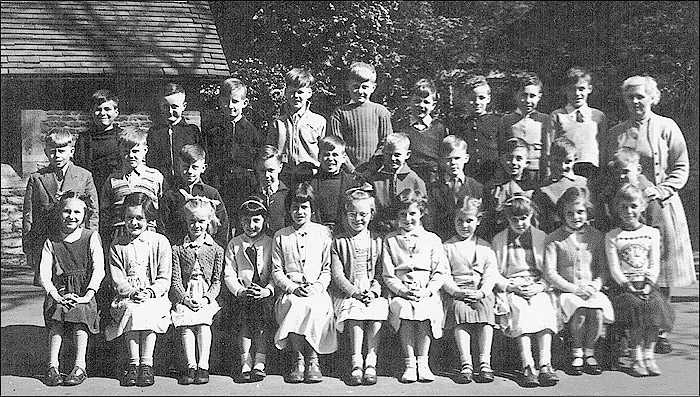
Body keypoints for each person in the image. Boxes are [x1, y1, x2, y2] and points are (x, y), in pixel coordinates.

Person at [604, 75, 694, 354]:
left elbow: (681, 164)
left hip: (660, 206)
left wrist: (663, 189)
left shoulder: (667, 127)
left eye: (641, 96)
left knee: (659, 267)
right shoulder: (616, 131)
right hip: (625, 209)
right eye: (630, 96)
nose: (635, 101)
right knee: (628, 262)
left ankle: (659, 329)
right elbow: (607, 170)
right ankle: (628, 328)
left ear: (653, 97)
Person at [605, 184, 674, 377]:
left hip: (647, 284)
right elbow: (614, 267)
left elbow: (654, 264)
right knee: (635, 311)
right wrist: (628, 286)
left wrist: (648, 285)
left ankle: (648, 355)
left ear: (642, 206)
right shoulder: (613, 236)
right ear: (617, 209)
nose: (629, 211)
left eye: (633, 206)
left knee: (654, 308)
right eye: (624, 207)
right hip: (624, 287)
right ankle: (636, 356)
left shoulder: (652, 233)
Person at [543, 186, 614, 376]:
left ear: (588, 211)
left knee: (597, 312)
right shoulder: (554, 239)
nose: (576, 217)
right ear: (562, 214)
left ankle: (589, 351)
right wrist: (574, 289)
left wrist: (595, 285)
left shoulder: (597, 237)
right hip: (567, 291)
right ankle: (576, 352)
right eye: (570, 213)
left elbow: (603, 270)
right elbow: (550, 273)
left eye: (580, 212)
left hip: (591, 289)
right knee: (580, 312)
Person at [104, 192, 172, 387]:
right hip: (127, 295)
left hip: (153, 294)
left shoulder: (160, 242)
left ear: (149, 219)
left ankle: (146, 364)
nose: (134, 223)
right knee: (132, 309)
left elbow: (164, 277)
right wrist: (132, 292)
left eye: (139, 218)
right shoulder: (118, 245)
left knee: (149, 308)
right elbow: (117, 278)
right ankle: (134, 363)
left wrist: (149, 292)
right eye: (129, 218)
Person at [271, 183, 337, 383]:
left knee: (315, 305)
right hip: (291, 290)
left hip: (316, 290)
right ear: (289, 210)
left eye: (304, 207)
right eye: (294, 208)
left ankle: (313, 359)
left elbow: (327, 269)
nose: (299, 212)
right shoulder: (281, 236)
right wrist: (292, 288)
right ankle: (298, 358)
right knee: (294, 304)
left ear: (312, 209)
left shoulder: (322, 233)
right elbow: (277, 271)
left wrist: (317, 288)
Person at [492, 193, 559, 388]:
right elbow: (494, 272)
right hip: (513, 286)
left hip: (536, 284)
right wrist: (510, 286)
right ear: (507, 219)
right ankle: (527, 364)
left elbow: (550, 270)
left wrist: (541, 286)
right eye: (514, 219)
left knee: (543, 306)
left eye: (524, 218)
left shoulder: (541, 237)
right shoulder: (499, 240)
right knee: (519, 309)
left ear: (531, 217)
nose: (520, 223)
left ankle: (545, 364)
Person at [39, 192, 105, 386]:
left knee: (79, 315)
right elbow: (44, 272)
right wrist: (55, 295)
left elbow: (99, 269)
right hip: (60, 292)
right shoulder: (52, 241)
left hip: (84, 292)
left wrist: (87, 295)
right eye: (67, 211)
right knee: (57, 315)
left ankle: (80, 365)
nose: (72, 216)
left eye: (77, 212)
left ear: (85, 214)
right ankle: (52, 366)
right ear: (59, 213)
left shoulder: (91, 237)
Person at [382, 189, 447, 383]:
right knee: (404, 310)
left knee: (426, 309)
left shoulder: (432, 239)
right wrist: (402, 290)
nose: (408, 219)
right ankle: (409, 363)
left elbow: (440, 272)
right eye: (402, 214)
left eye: (412, 214)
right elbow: (387, 273)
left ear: (421, 213)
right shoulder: (391, 239)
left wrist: (427, 290)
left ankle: (423, 362)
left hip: (426, 290)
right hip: (401, 290)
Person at [23, 130, 99, 286]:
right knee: (50, 289)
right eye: (52, 152)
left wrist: (92, 240)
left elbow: (93, 212)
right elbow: (28, 215)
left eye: (62, 151)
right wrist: (29, 248)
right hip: (48, 241)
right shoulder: (37, 179)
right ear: (46, 152)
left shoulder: (84, 176)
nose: (57, 156)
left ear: (71, 151)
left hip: (76, 243)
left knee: (77, 284)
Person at [330, 187, 388, 386]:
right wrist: (354, 292)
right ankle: (356, 361)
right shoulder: (338, 242)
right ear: (346, 215)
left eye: (363, 214)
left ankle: (371, 361)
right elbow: (337, 275)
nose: (357, 219)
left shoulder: (378, 241)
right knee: (355, 311)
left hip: (372, 291)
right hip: (347, 293)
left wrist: (374, 291)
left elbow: (381, 273)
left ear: (371, 215)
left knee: (378, 309)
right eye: (352, 214)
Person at [441, 196, 498, 384]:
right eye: (460, 221)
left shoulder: (485, 246)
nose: (464, 225)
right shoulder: (447, 247)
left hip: (480, 291)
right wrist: (456, 292)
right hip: (458, 292)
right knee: (460, 312)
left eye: (469, 221)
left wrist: (482, 292)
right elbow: (444, 275)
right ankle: (466, 363)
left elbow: (491, 274)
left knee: (486, 310)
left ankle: (484, 362)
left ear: (478, 221)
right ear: (454, 220)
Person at [170, 196, 224, 385]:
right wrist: (184, 298)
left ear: (209, 221)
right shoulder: (177, 249)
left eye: (201, 221)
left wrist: (206, 298)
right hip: (185, 294)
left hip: (205, 296)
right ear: (186, 221)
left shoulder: (216, 249)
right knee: (186, 323)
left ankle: (203, 365)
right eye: (192, 221)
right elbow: (175, 279)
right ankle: (190, 365)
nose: (196, 226)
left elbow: (217, 281)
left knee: (202, 324)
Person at [223, 197, 276, 383]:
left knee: (261, 325)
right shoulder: (235, 244)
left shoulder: (270, 242)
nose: (251, 225)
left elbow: (275, 272)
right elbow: (229, 272)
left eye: (256, 220)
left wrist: (267, 290)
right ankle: (245, 360)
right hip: (243, 294)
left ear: (264, 220)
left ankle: (260, 361)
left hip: (263, 294)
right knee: (244, 325)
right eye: (246, 221)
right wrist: (239, 291)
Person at [204, 78, 263, 223]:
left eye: (235, 101)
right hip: (218, 184)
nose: (230, 106)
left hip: (243, 186)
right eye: (226, 101)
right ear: (220, 101)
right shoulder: (212, 129)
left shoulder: (252, 131)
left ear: (245, 103)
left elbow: (256, 161)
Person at [100, 127, 166, 243]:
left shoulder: (155, 176)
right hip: (120, 233)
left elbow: (163, 209)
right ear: (120, 151)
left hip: (148, 233)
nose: (130, 155)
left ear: (145, 150)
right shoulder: (112, 179)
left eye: (135, 151)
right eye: (126, 152)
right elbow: (105, 212)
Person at [330, 61, 393, 176]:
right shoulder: (339, 113)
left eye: (365, 87)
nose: (360, 91)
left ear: (373, 88)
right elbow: (336, 145)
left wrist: (371, 170)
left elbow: (386, 143)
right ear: (348, 86)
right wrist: (351, 171)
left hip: (375, 173)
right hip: (346, 173)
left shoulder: (381, 112)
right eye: (356, 87)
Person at [267, 68, 327, 187]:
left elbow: (324, 152)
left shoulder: (319, 121)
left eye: (300, 92)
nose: (296, 96)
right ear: (285, 92)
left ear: (309, 93)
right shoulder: (277, 123)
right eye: (292, 92)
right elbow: (270, 154)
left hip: (311, 177)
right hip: (284, 178)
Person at [161, 144, 230, 248]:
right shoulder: (171, 196)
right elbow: (163, 226)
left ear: (203, 168)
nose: (189, 171)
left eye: (194, 167)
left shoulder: (211, 193)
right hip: (178, 250)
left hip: (207, 249)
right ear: (178, 166)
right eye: (185, 167)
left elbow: (223, 225)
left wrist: (217, 249)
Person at [550, 67, 607, 179]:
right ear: (565, 90)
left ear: (589, 89)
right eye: (572, 89)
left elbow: (603, 147)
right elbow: (552, 148)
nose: (577, 93)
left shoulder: (598, 116)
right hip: (566, 168)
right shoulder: (558, 116)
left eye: (581, 89)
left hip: (592, 170)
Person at [425, 135, 483, 241]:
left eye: (457, 158)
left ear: (466, 158)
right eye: (448, 159)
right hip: (443, 240)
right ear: (441, 160)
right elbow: (431, 221)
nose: (453, 163)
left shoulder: (476, 188)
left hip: (469, 241)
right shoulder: (434, 189)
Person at [481, 137, 539, 241]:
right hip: (499, 238)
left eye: (519, 158)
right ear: (501, 160)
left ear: (527, 163)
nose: (513, 162)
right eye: (509, 158)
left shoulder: (532, 188)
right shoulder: (493, 188)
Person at [367, 132, 426, 234]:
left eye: (397, 155)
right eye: (388, 154)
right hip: (381, 230)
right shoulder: (376, 179)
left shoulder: (415, 180)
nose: (392, 158)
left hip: (407, 231)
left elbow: (423, 210)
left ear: (407, 155)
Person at [499, 73, 553, 181]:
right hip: (513, 172)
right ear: (515, 94)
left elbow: (547, 151)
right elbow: (502, 150)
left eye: (532, 96)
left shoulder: (544, 120)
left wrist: (547, 175)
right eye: (524, 95)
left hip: (537, 172)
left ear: (539, 96)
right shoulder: (506, 120)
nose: (528, 100)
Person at [146, 83, 201, 186]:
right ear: (160, 106)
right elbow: (151, 162)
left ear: (184, 106)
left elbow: (199, 160)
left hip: (186, 185)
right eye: (165, 107)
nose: (170, 111)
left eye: (174, 106)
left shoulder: (192, 131)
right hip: (162, 186)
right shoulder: (154, 132)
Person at [396, 78, 449, 185]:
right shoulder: (402, 127)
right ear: (409, 101)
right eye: (417, 101)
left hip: (433, 180)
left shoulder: (439, 128)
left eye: (426, 102)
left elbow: (443, 157)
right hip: (408, 178)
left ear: (433, 105)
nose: (421, 105)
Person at [450, 75, 501, 185]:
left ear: (488, 99)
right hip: (468, 177)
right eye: (472, 99)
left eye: (481, 98)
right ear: (465, 100)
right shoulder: (459, 124)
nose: (477, 102)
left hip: (492, 177)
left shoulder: (497, 122)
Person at [532, 136, 588, 234]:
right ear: (549, 159)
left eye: (568, 161)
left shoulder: (584, 183)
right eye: (557, 161)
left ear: (575, 159)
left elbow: (592, 214)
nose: (562, 166)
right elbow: (542, 223)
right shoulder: (543, 189)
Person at [309, 135, 364, 233]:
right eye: (326, 154)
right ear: (319, 157)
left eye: (335, 155)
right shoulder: (310, 183)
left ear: (343, 158)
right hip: (317, 232)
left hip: (344, 233)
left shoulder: (353, 183)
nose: (330, 158)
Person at [74, 89, 123, 193]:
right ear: (92, 112)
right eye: (98, 109)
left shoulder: (123, 137)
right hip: (91, 189)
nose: (102, 113)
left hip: (117, 189)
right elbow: (79, 169)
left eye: (107, 109)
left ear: (116, 112)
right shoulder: (84, 139)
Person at [255, 145, 290, 235]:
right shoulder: (251, 195)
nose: (266, 175)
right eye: (262, 171)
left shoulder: (288, 195)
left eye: (271, 170)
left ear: (280, 168)